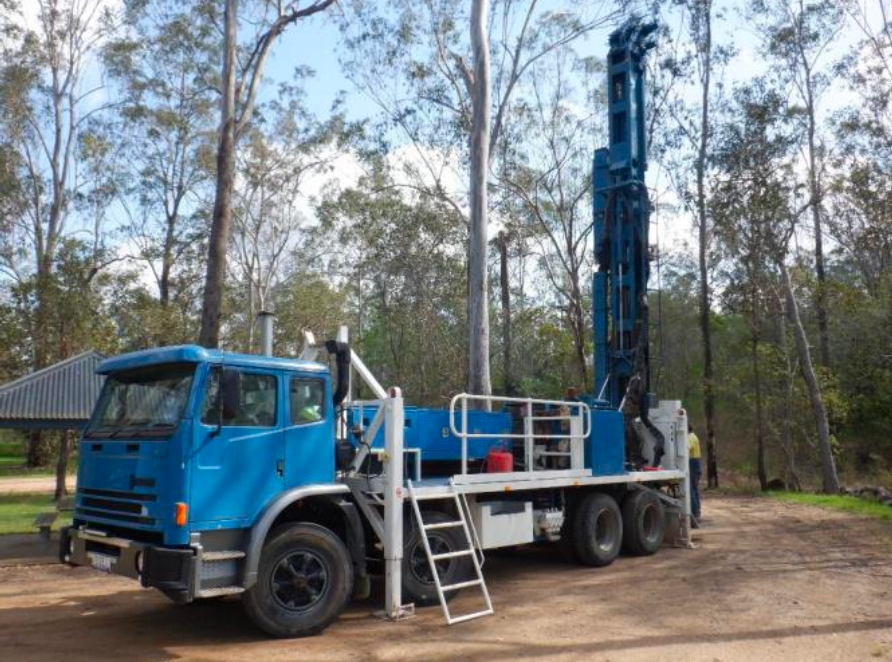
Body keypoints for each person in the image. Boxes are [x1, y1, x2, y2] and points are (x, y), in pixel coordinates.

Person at [687, 422, 702, 528]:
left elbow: (686, 447)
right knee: (694, 490)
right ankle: (697, 513)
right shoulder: (693, 436)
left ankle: (695, 512)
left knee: (691, 490)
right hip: (695, 465)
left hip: (692, 465)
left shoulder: (691, 437)